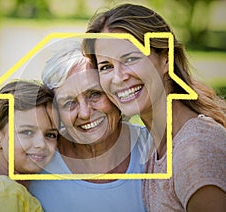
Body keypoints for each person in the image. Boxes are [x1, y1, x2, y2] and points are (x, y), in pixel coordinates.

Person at [82, 3, 226, 211]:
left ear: (166, 59)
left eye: (130, 58)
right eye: (106, 67)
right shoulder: (155, 144)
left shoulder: (196, 152)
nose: (119, 78)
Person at [29, 42, 151, 212]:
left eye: (94, 94)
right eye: (69, 103)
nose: (85, 113)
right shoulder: (37, 160)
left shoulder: (155, 149)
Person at [0, 80, 58, 212]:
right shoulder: (5, 193)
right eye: (27, 132)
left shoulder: (3, 188)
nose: (41, 144)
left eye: (50, 135)